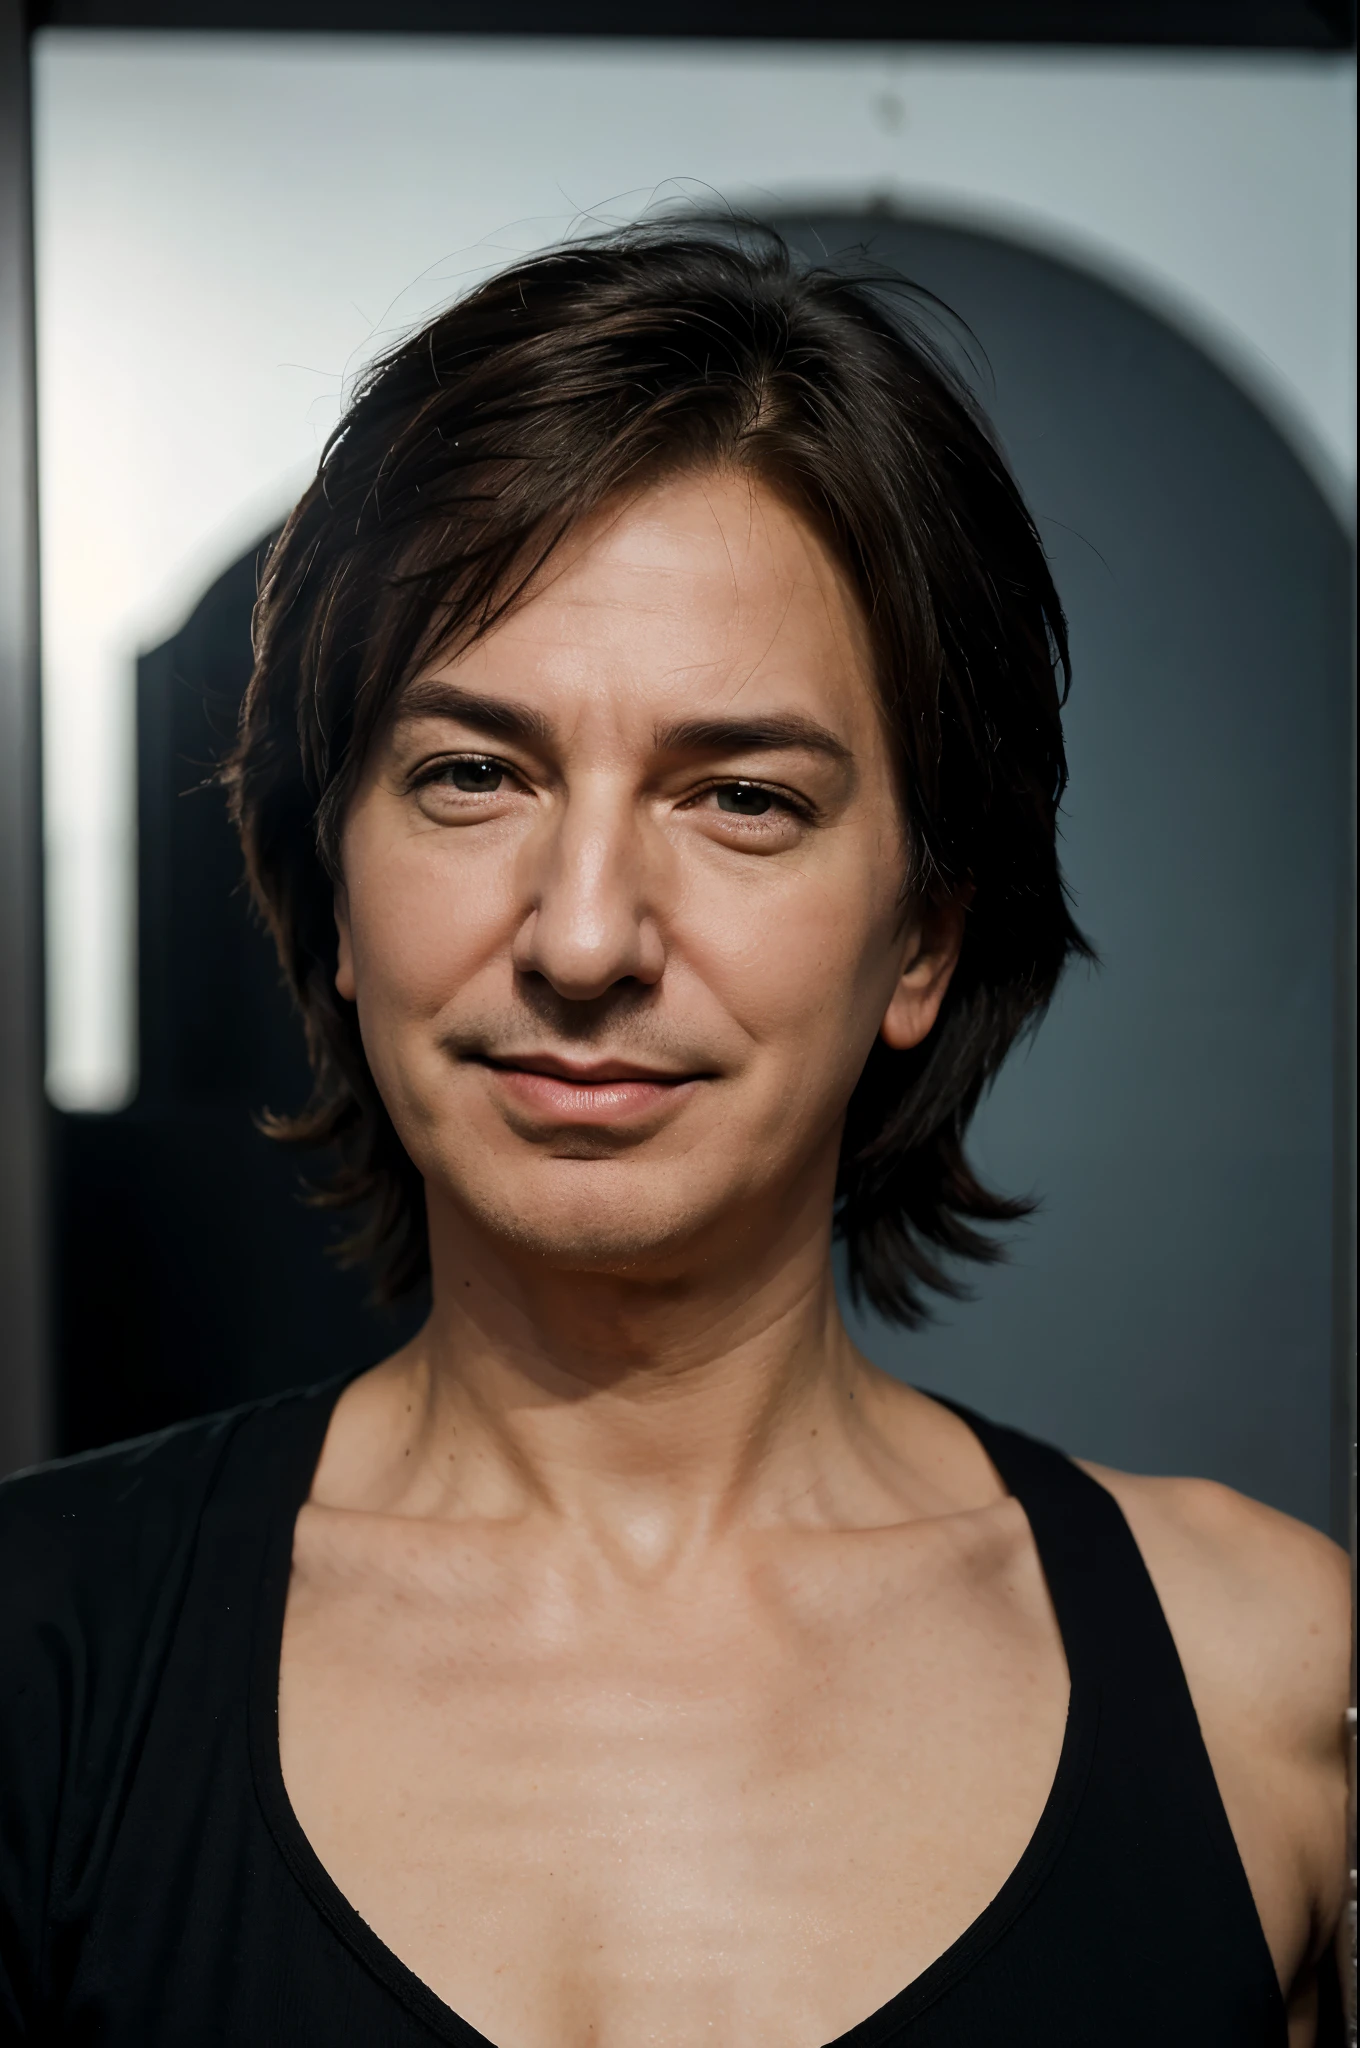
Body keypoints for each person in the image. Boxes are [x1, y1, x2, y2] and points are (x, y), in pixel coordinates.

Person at [0, 228, 1349, 2048]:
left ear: (925, 936)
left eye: (741, 800)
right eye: (473, 774)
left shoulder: (1265, 1683)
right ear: (336, 884)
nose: (582, 939)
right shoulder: (38, 1652)